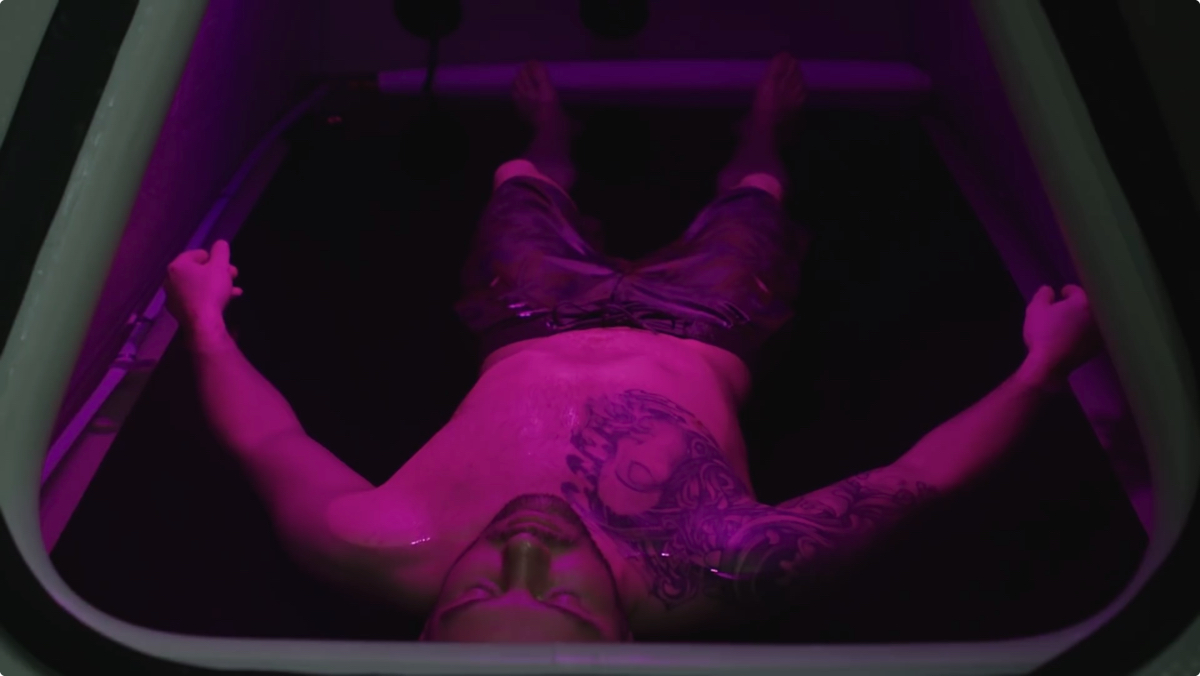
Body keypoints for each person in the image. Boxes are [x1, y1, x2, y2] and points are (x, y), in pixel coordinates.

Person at [164, 53, 1101, 642]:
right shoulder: (727, 565)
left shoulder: (371, 543)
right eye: (565, 597)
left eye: (475, 591)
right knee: (753, 201)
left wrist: (202, 324)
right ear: (619, 636)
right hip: (705, 325)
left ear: (428, 625)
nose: (524, 551)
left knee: (520, 187)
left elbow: (266, 441)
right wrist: (1042, 369)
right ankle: (765, 128)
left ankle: (548, 133)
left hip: (529, 318)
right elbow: (922, 477)